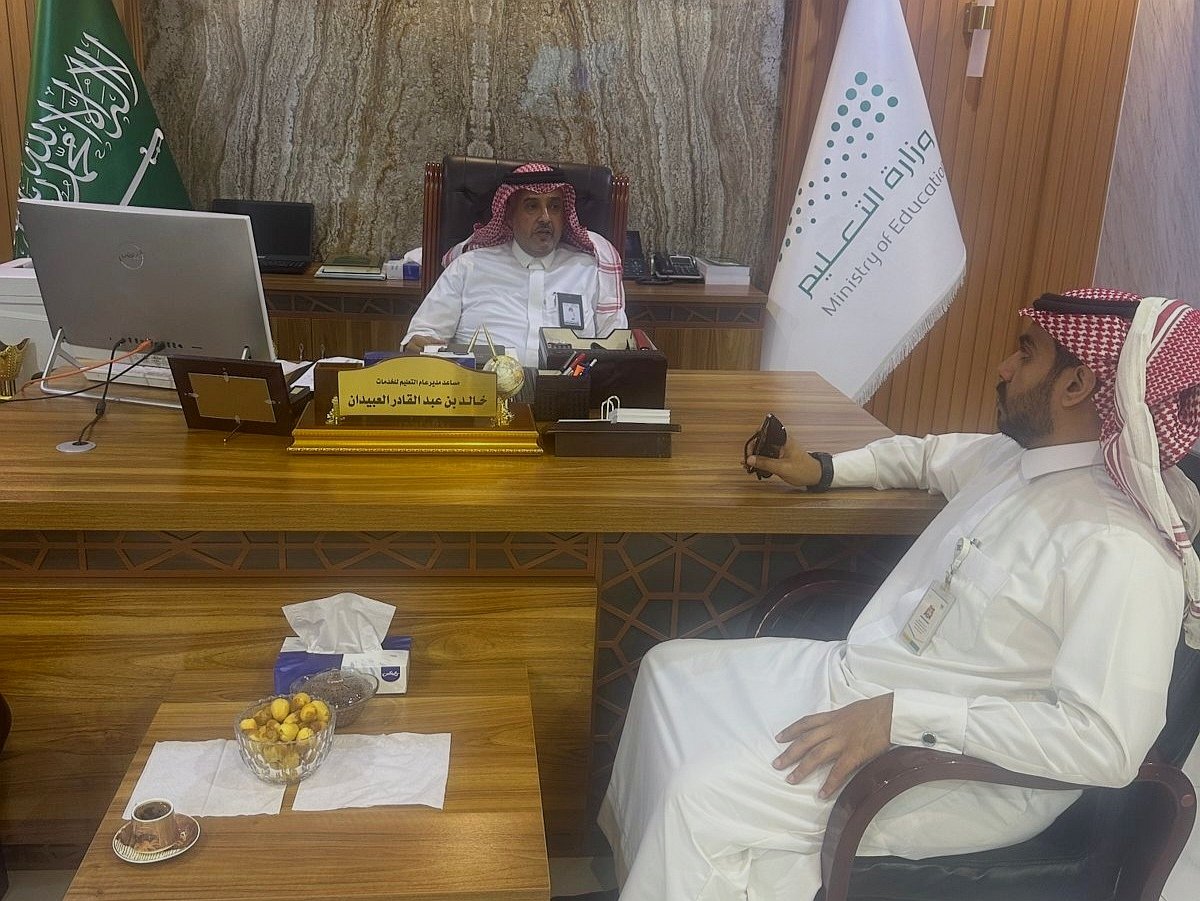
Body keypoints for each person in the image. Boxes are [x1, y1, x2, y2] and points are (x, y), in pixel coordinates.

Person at [599, 288, 1200, 900]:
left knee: (696, 796)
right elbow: (927, 457)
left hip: (953, 773)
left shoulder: (1118, 546)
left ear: (1076, 385)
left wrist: (900, 718)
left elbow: (1105, 746)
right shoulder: (1019, 460)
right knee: (666, 670)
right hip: (864, 684)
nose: (1003, 367)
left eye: (1026, 354)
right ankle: (645, 876)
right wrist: (823, 471)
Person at [401, 162, 627, 367]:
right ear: (509, 215)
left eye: (554, 207)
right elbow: (423, 335)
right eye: (532, 206)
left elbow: (618, 347)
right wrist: (418, 344)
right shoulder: (468, 267)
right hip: (482, 390)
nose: (545, 218)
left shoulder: (590, 270)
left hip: (567, 393)